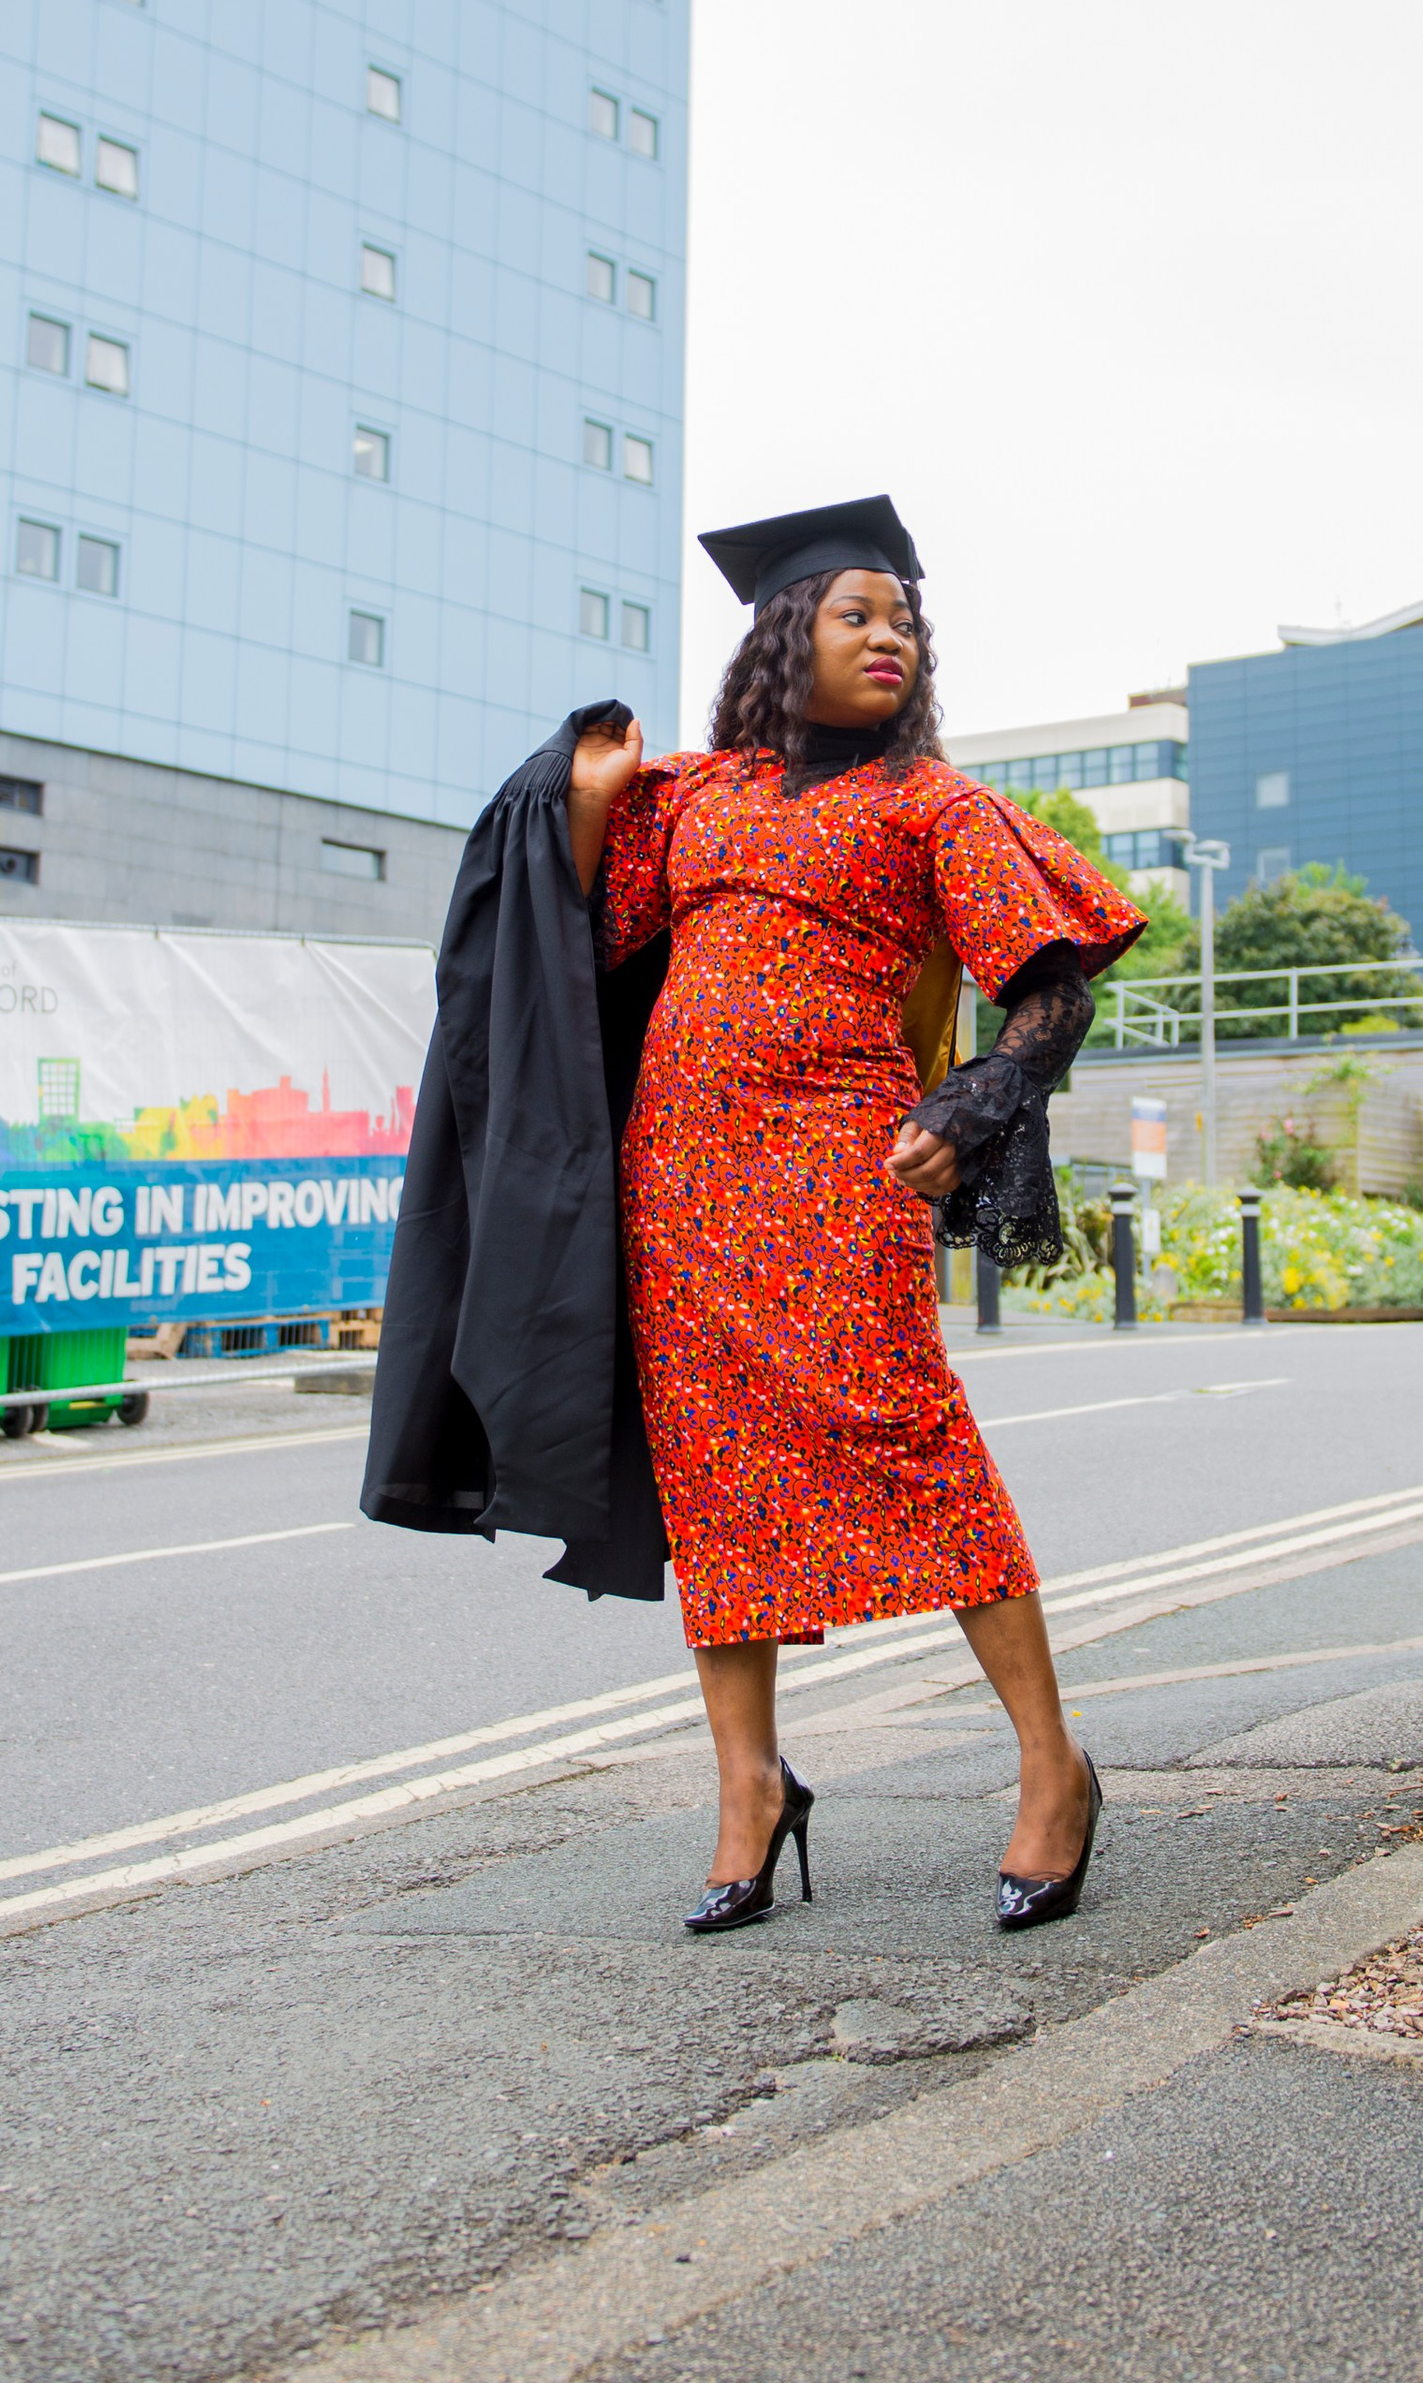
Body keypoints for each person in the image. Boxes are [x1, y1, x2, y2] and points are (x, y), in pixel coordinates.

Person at [365, 494, 1141, 1937]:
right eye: (858, 614)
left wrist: (977, 1101)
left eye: (904, 619)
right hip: (679, 1189)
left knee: (920, 1453)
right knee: (719, 1491)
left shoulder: (933, 805)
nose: (889, 636)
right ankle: (751, 1786)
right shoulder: (702, 798)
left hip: (840, 1176)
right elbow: (575, 937)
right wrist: (588, 796)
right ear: (789, 635)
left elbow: (1056, 980)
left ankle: (1053, 1768)